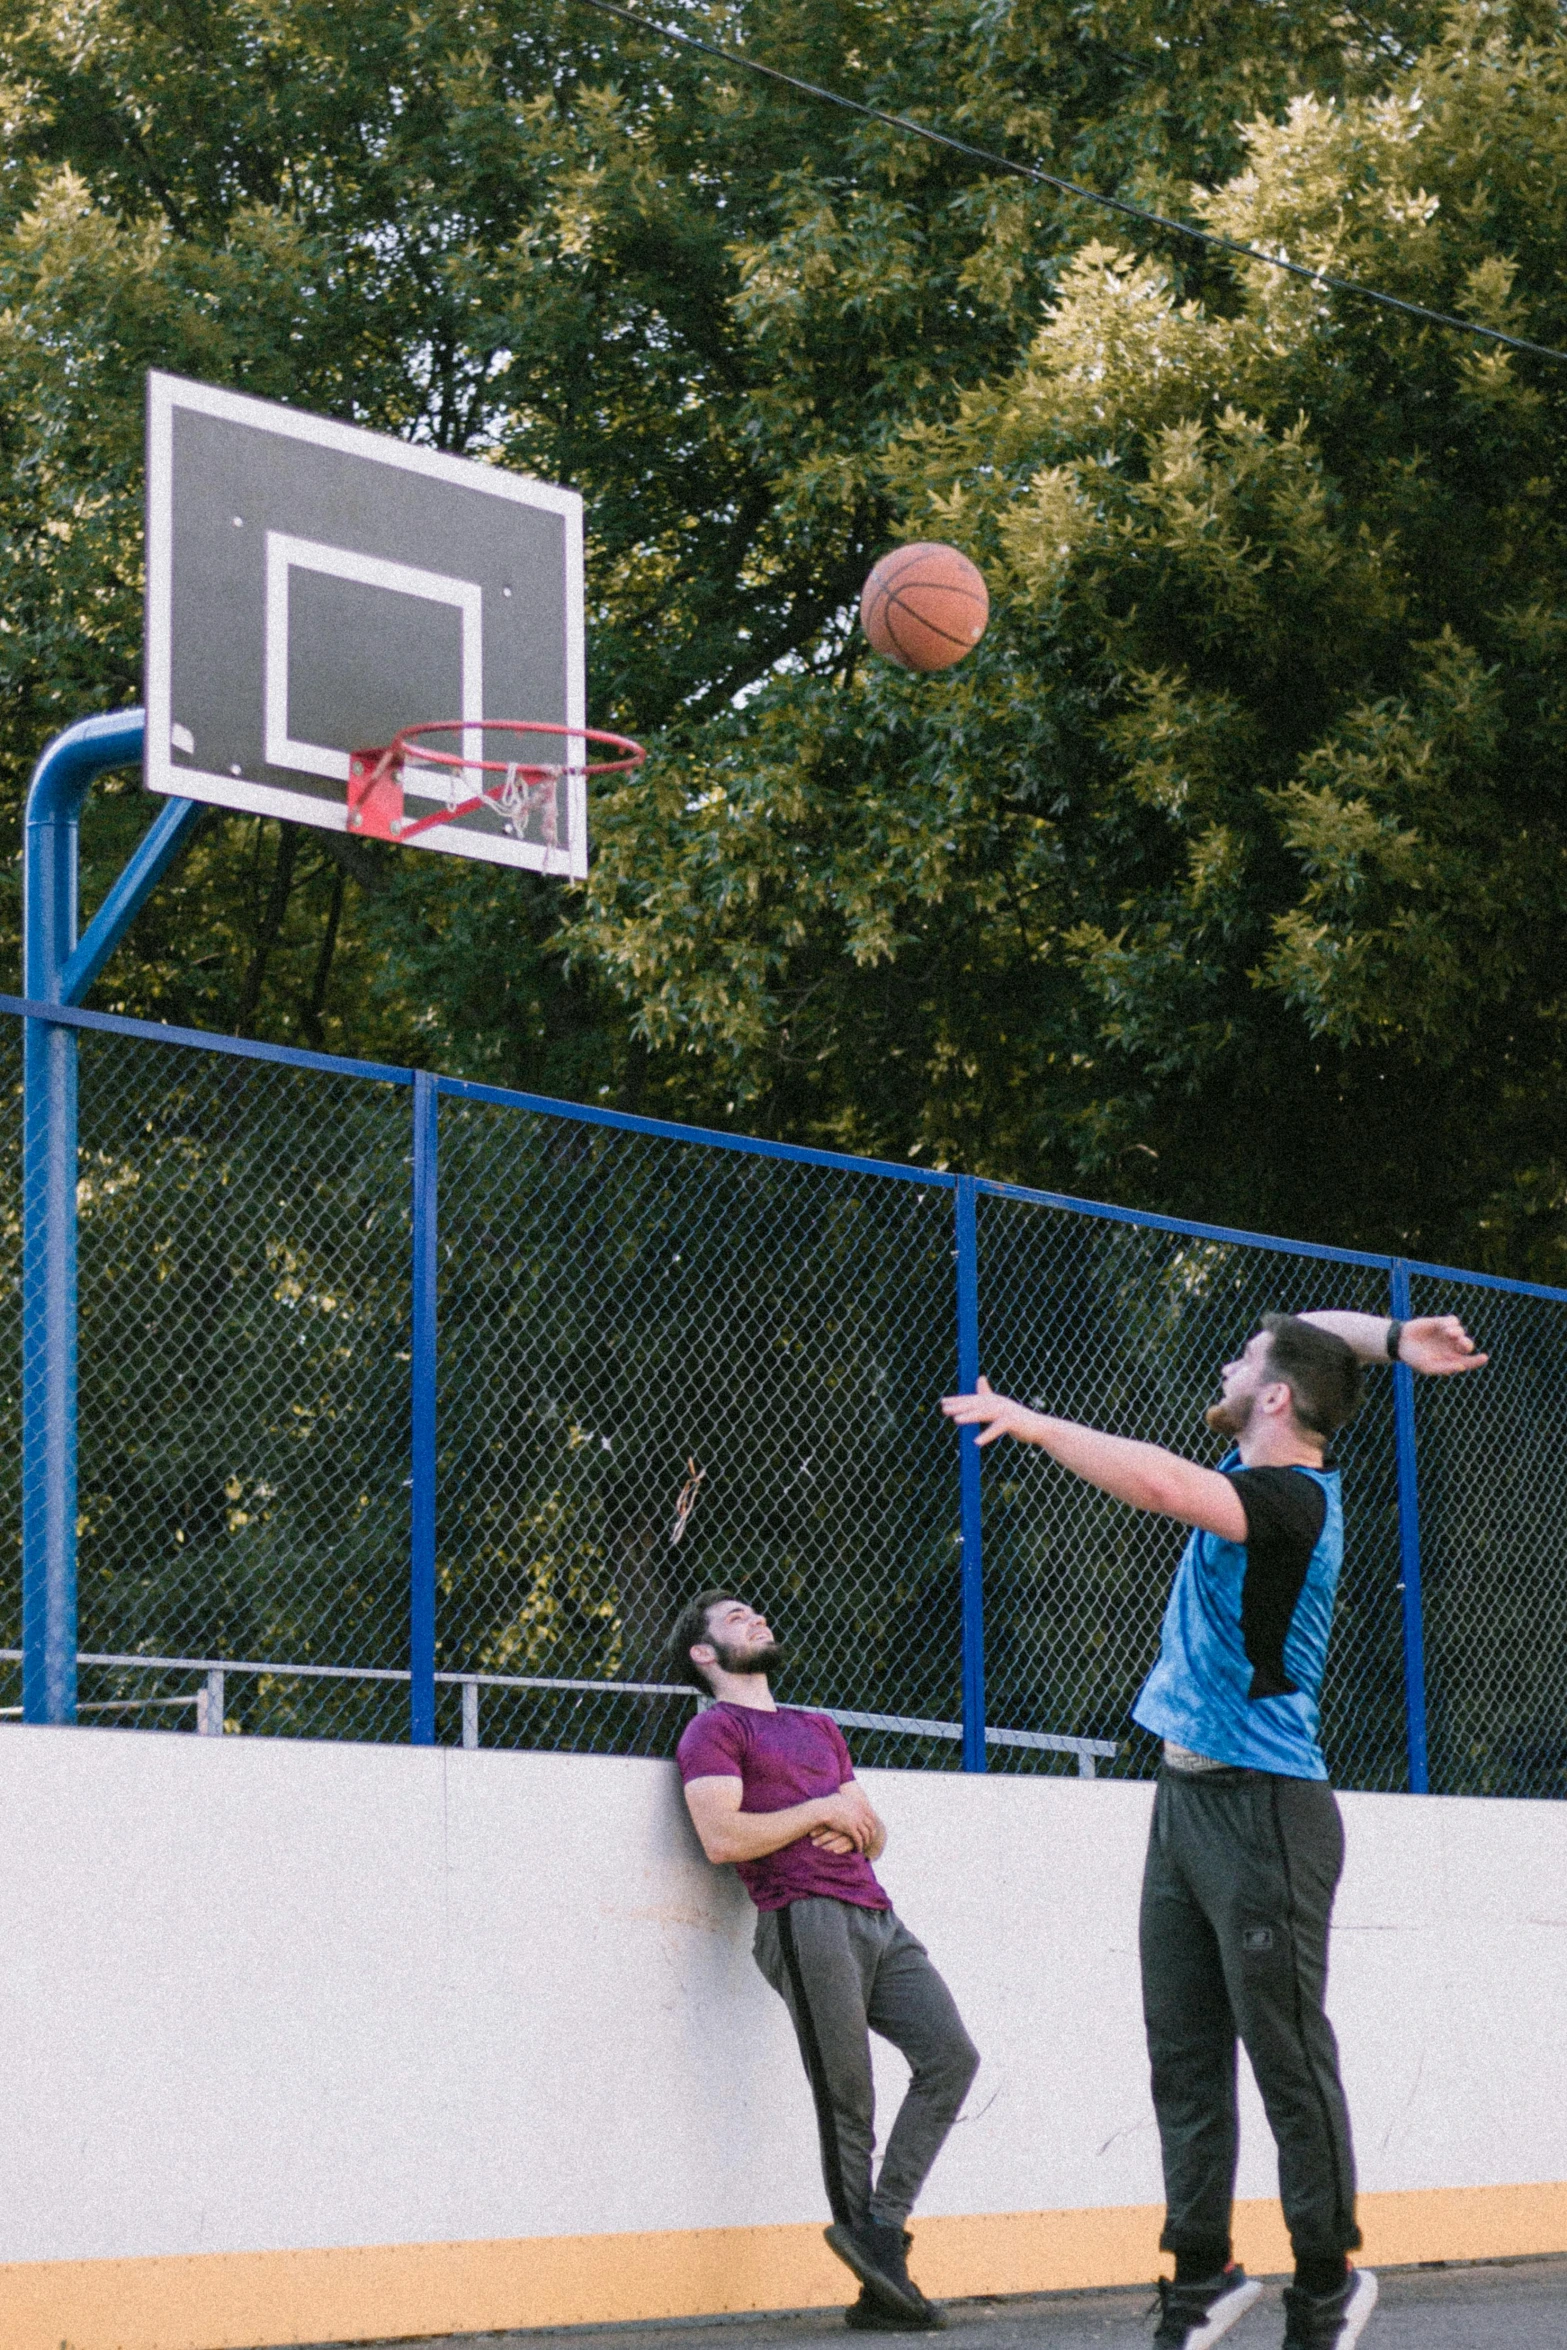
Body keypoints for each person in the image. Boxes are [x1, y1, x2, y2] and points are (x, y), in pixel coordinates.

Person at [941, 1309, 1486, 2350]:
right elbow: (1297, 1331)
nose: (1228, 1364)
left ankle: (1326, 2278)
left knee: (1283, 2052)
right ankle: (1202, 2271)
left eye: (1246, 1362)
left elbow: (1156, 1485)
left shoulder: (1290, 1500)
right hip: (1185, 1798)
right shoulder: (1268, 1462)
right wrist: (1390, 1335)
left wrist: (1032, 1420)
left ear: (1274, 1398)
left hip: (1264, 1807)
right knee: (1182, 2049)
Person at [670, 1590, 980, 2333]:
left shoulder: (817, 1727)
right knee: (850, 2095)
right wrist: (816, 1814)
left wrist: (852, 1826)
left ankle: (879, 2230)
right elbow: (723, 1839)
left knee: (950, 2057)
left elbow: (871, 1830)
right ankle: (882, 2280)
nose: (756, 1620)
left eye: (756, 1613)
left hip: (877, 1916)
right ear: (704, 1655)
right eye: (735, 1619)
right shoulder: (712, 1731)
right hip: (801, 1916)